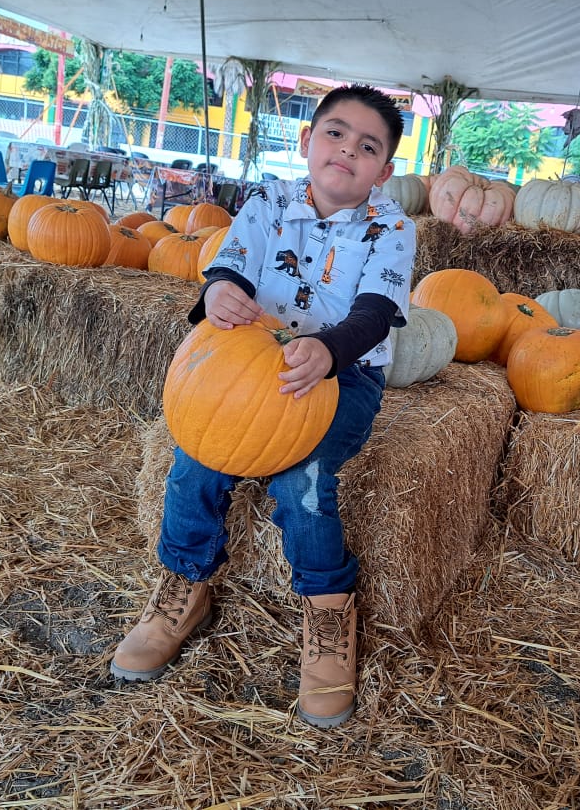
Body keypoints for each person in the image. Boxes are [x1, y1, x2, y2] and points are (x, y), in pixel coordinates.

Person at [111, 84, 416, 730]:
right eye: (335, 133)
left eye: (367, 146)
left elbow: (375, 311)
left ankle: (329, 610)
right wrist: (220, 293)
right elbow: (231, 267)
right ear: (307, 141)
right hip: (250, 362)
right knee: (195, 460)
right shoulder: (267, 201)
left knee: (301, 479)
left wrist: (329, 351)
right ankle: (183, 585)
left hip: (344, 373)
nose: (347, 151)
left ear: (383, 171)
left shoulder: (392, 226)